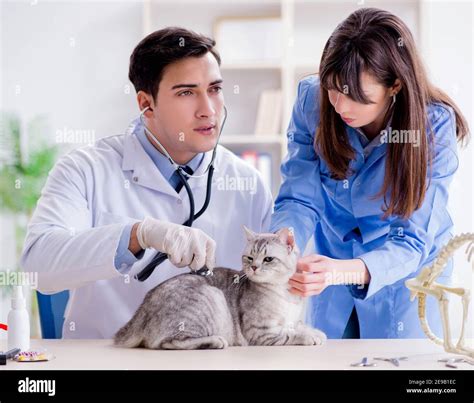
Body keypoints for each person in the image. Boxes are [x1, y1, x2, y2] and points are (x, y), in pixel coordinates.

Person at [21, 27, 273, 339]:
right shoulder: (85, 169)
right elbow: (39, 267)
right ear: (146, 104)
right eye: (186, 92)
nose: (208, 110)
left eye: (215, 89)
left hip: (214, 360)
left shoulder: (248, 182)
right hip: (109, 361)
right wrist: (137, 235)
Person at [270, 8, 469, 339]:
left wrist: (344, 272)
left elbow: (412, 238)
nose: (340, 106)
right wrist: (284, 240)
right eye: (333, 89)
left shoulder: (434, 127)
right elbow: (298, 195)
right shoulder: (311, 100)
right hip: (331, 267)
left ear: (394, 85)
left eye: (357, 97)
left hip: (406, 277)